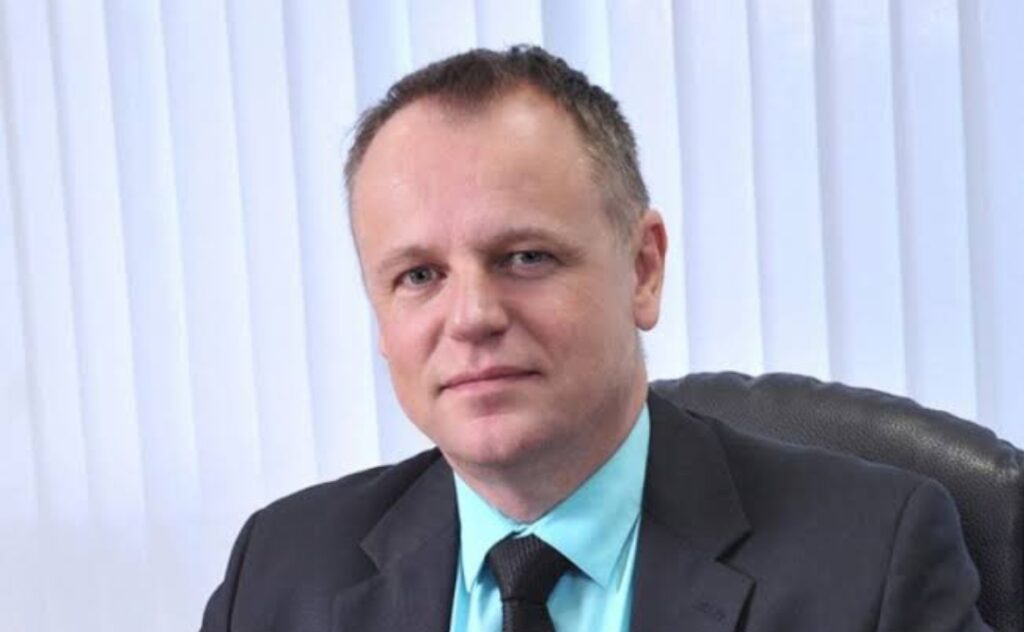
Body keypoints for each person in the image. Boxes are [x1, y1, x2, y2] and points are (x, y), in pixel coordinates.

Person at [200, 46, 991, 632]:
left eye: (525, 257)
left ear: (643, 269)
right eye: (419, 275)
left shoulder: (869, 563)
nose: (471, 316)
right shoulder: (279, 573)